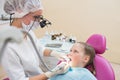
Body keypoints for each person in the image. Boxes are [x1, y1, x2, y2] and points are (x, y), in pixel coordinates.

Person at [1, 0, 69, 80]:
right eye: (36, 17)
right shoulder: (7, 46)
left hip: (38, 75)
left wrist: (56, 54)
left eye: (40, 17)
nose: (39, 21)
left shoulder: (27, 31)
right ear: (19, 14)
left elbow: (39, 49)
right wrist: (50, 74)